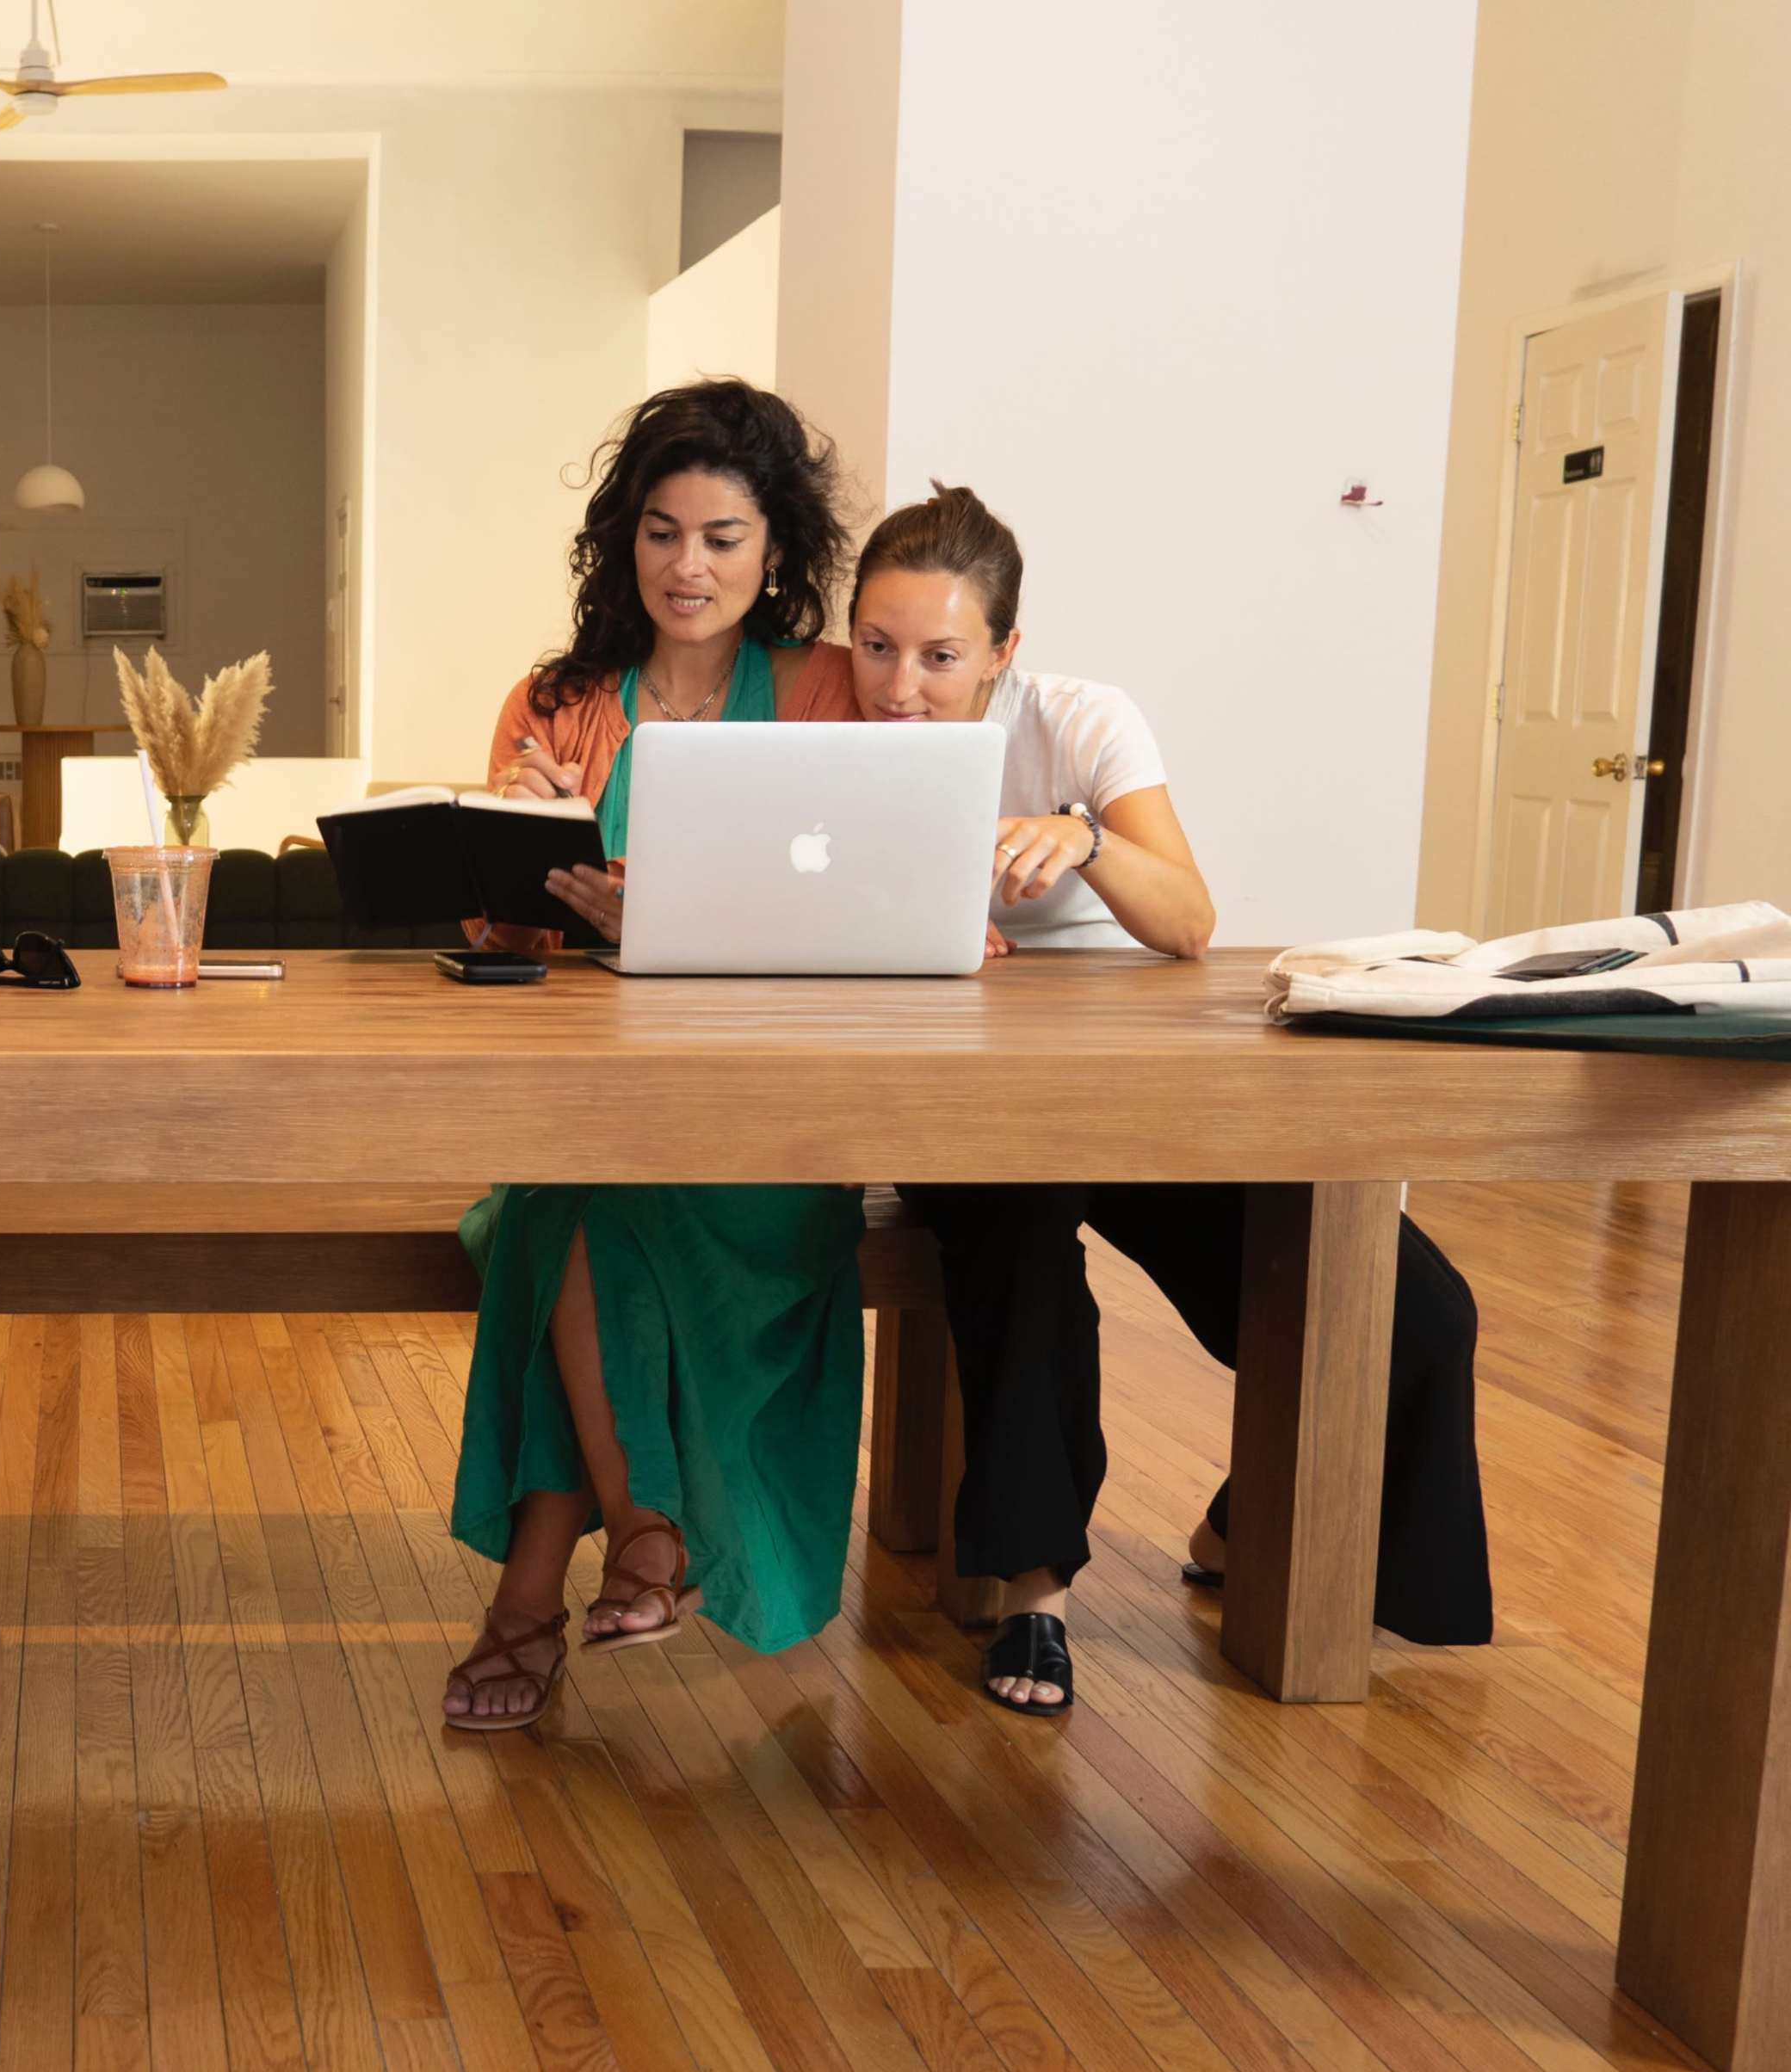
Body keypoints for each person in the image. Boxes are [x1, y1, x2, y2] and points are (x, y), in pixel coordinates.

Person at [845, 483, 1491, 1712]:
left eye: (939, 654)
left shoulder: (1080, 719)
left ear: (1003, 651)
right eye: (877, 645)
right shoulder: (840, 725)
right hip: (959, 1097)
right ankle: (1036, 1599)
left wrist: (1084, 838)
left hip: (1134, 1088)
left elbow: (1191, 921)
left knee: (1416, 1303)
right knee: (1021, 1245)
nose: (900, 683)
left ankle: (1263, 1523)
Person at [440, 380, 865, 1732]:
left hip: (766, 1128)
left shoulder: (827, 693)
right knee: (579, 1185)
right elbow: (493, 933)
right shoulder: (557, 700)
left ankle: (528, 1605)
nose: (690, 566)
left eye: (725, 538)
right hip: (593, 1101)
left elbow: (871, 904)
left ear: (776, 552)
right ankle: (644, 1537)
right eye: (664, 532)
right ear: (626, 541)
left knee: (563, 1210)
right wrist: (510, 856)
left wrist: (673, 913)